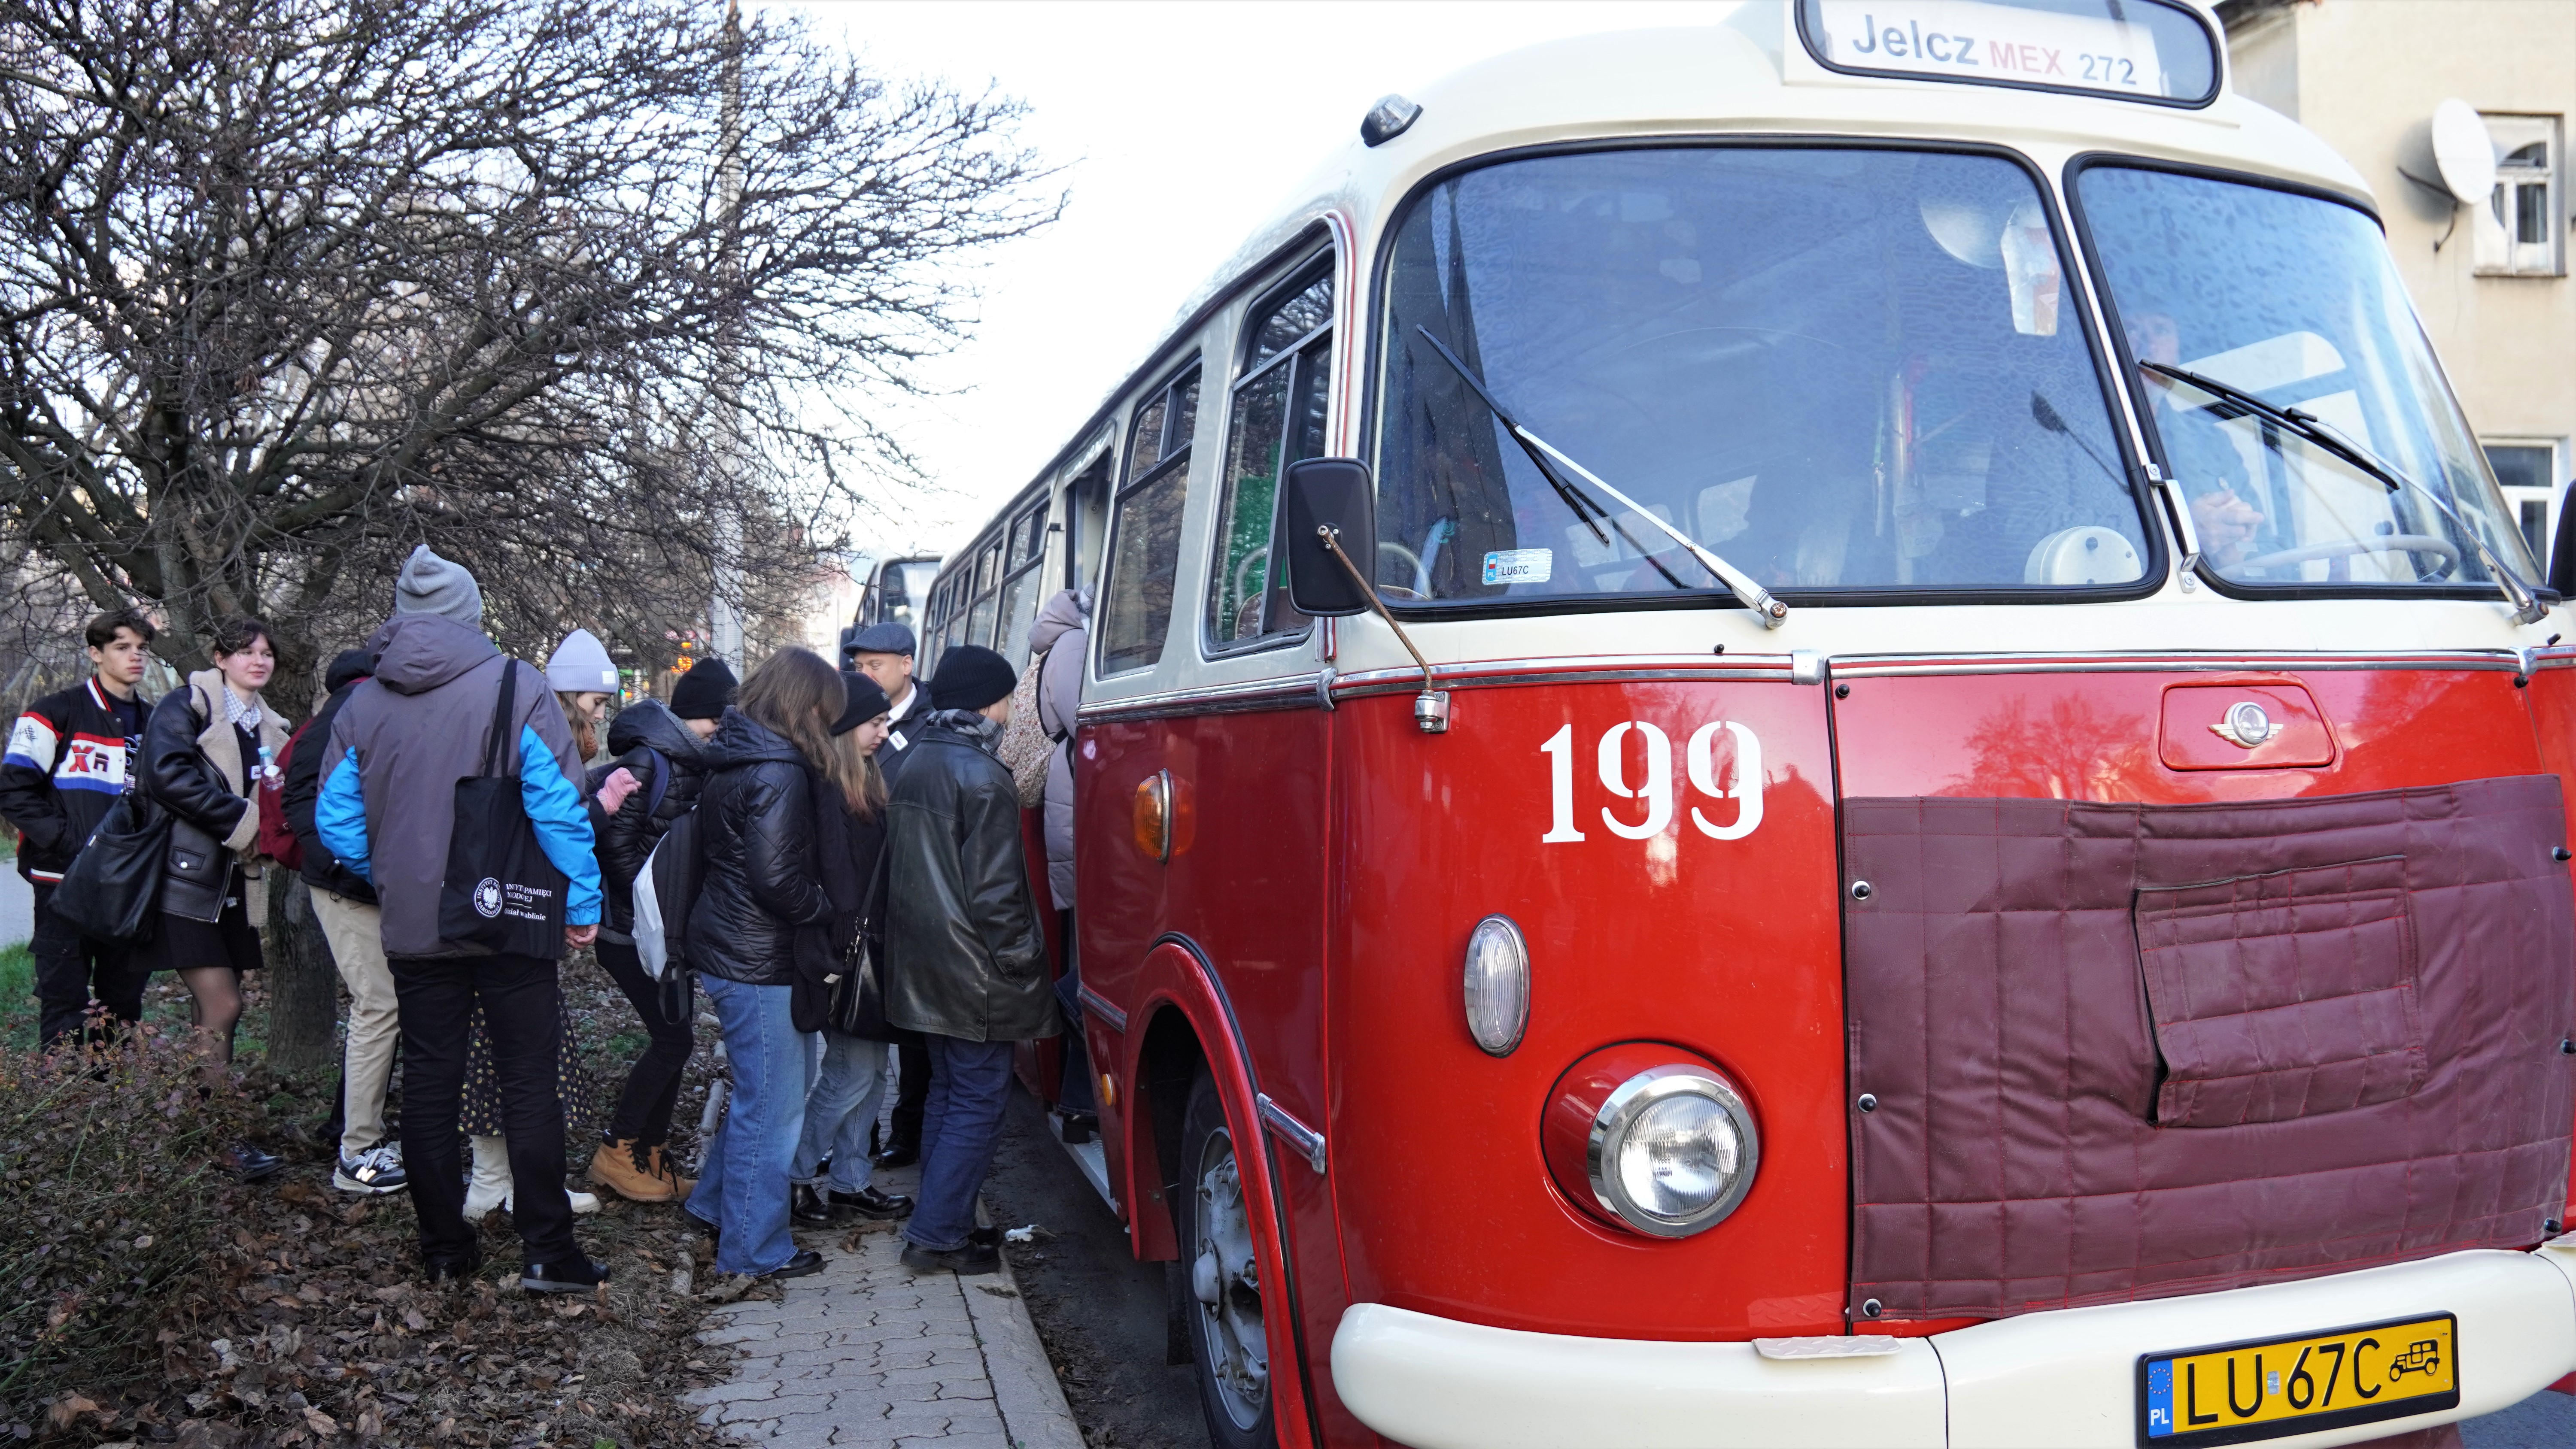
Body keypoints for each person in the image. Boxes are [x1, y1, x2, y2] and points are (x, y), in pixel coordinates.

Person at [316, 544, 609, 1293]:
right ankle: (549, 1252)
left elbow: (337, 824)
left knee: (429, 1083)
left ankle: (445, 1249)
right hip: (509, 915)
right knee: (527, 1080)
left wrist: (398, 875)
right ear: (472, 615)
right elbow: (558, 809)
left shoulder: (362, 704)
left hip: (415, 926)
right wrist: (581, 903)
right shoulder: (517, 686)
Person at [884, 644, 1058, 1276]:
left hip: (926, 965)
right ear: (987, 703)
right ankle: (937, 1236)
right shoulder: (984, 776)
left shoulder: (917, 759)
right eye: (1007, 700)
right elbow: (997, 893)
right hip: (973, 972)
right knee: (978, 1101)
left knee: (947, 1093)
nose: (1010, 712)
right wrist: (1023, 962)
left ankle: (945, 1219)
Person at [683, 647, 847, 1281]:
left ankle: (712, 1206)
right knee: (773, 1109)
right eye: (825, 711)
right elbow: (776, 878)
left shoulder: (739, 755)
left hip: (736, 950)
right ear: (804, 706)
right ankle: (753, 1250)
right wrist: (826, 908)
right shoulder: (779, 768)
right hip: (756, 958)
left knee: (767, 1096)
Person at [136, 614, 291, 1181]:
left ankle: (198, 1131)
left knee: (215, 1011)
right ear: (220, 658)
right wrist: (248, 824)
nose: (258, 660)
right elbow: (167, 777)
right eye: (246, 651)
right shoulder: (187, 705)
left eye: (266, 653)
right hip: (183, 880)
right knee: (224, 1005)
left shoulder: (273, 727)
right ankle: (217, 1137)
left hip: (234, 885)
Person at [582, 654, 734, 1202]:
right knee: (674, 1039)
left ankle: (650, 1153)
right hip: (631, 932)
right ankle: (615, 1151)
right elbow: (615, 848)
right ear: (695, 714)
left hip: (666, 933)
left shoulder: (695, 762)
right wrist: (657, 909)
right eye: (717, 718)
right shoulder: (651, 760)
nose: (721, 729)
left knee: (679, 1037)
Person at [788, 672, 915, 1227]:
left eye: (886, 721)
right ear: (844, 726)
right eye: (875, 722)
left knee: (873, 1075)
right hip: (844, 953)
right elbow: (834, 874)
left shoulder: (863, 779)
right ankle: (792, 1178)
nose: (884, 732)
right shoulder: (826, 787)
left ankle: (850, 1181)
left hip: (871, 950)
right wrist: (843, 947)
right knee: (849, 1074)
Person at [283, 647, 410, 1196]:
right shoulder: (350, 712)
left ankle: (360, 1135)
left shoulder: (360, 708)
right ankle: (357, 1153)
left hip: (370, 884)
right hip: (351, 887)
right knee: (379, 1005)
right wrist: (349, 866)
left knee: (388, 1005)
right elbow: (301, 799)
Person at [0, 607, 157, 1050]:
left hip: (129, 886)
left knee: (122, 1003)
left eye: (142, 648)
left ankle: (112, 1090)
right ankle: (60, 1092)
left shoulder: (158, 722)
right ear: (95, 652)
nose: (136, 656)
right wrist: (71, 843)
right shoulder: (54, 711)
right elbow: (13, 790)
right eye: (122, 647)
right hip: (62, 883)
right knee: (64, 999)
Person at [846, 621, 934, 1170]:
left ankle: (908, 1130)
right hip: (863, 897)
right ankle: (859, 1140)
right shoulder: (847, 716)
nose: (866, 674)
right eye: (859, 666)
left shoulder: (934, 721)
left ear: (906, 664)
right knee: (862, 1020)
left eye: (875, 665)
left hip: (914, 893)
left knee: (918, 1030)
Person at [2126, 309, 2266, 570]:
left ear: (2178, 352)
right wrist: (2181, 532)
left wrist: (2236, 553)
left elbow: (2265, 543)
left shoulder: (2212, 443)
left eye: (2161, 330)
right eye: (2132, 329)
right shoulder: (2063, 432)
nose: (2149, 347)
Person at [1028, 589, 1094, 1130]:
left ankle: (1081, 1101)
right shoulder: (1074, 644)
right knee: (1086, 958)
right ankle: (1079, 1101)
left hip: (1071, 799)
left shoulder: (1066, 641)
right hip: (1075, 804)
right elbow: (1085, 719)